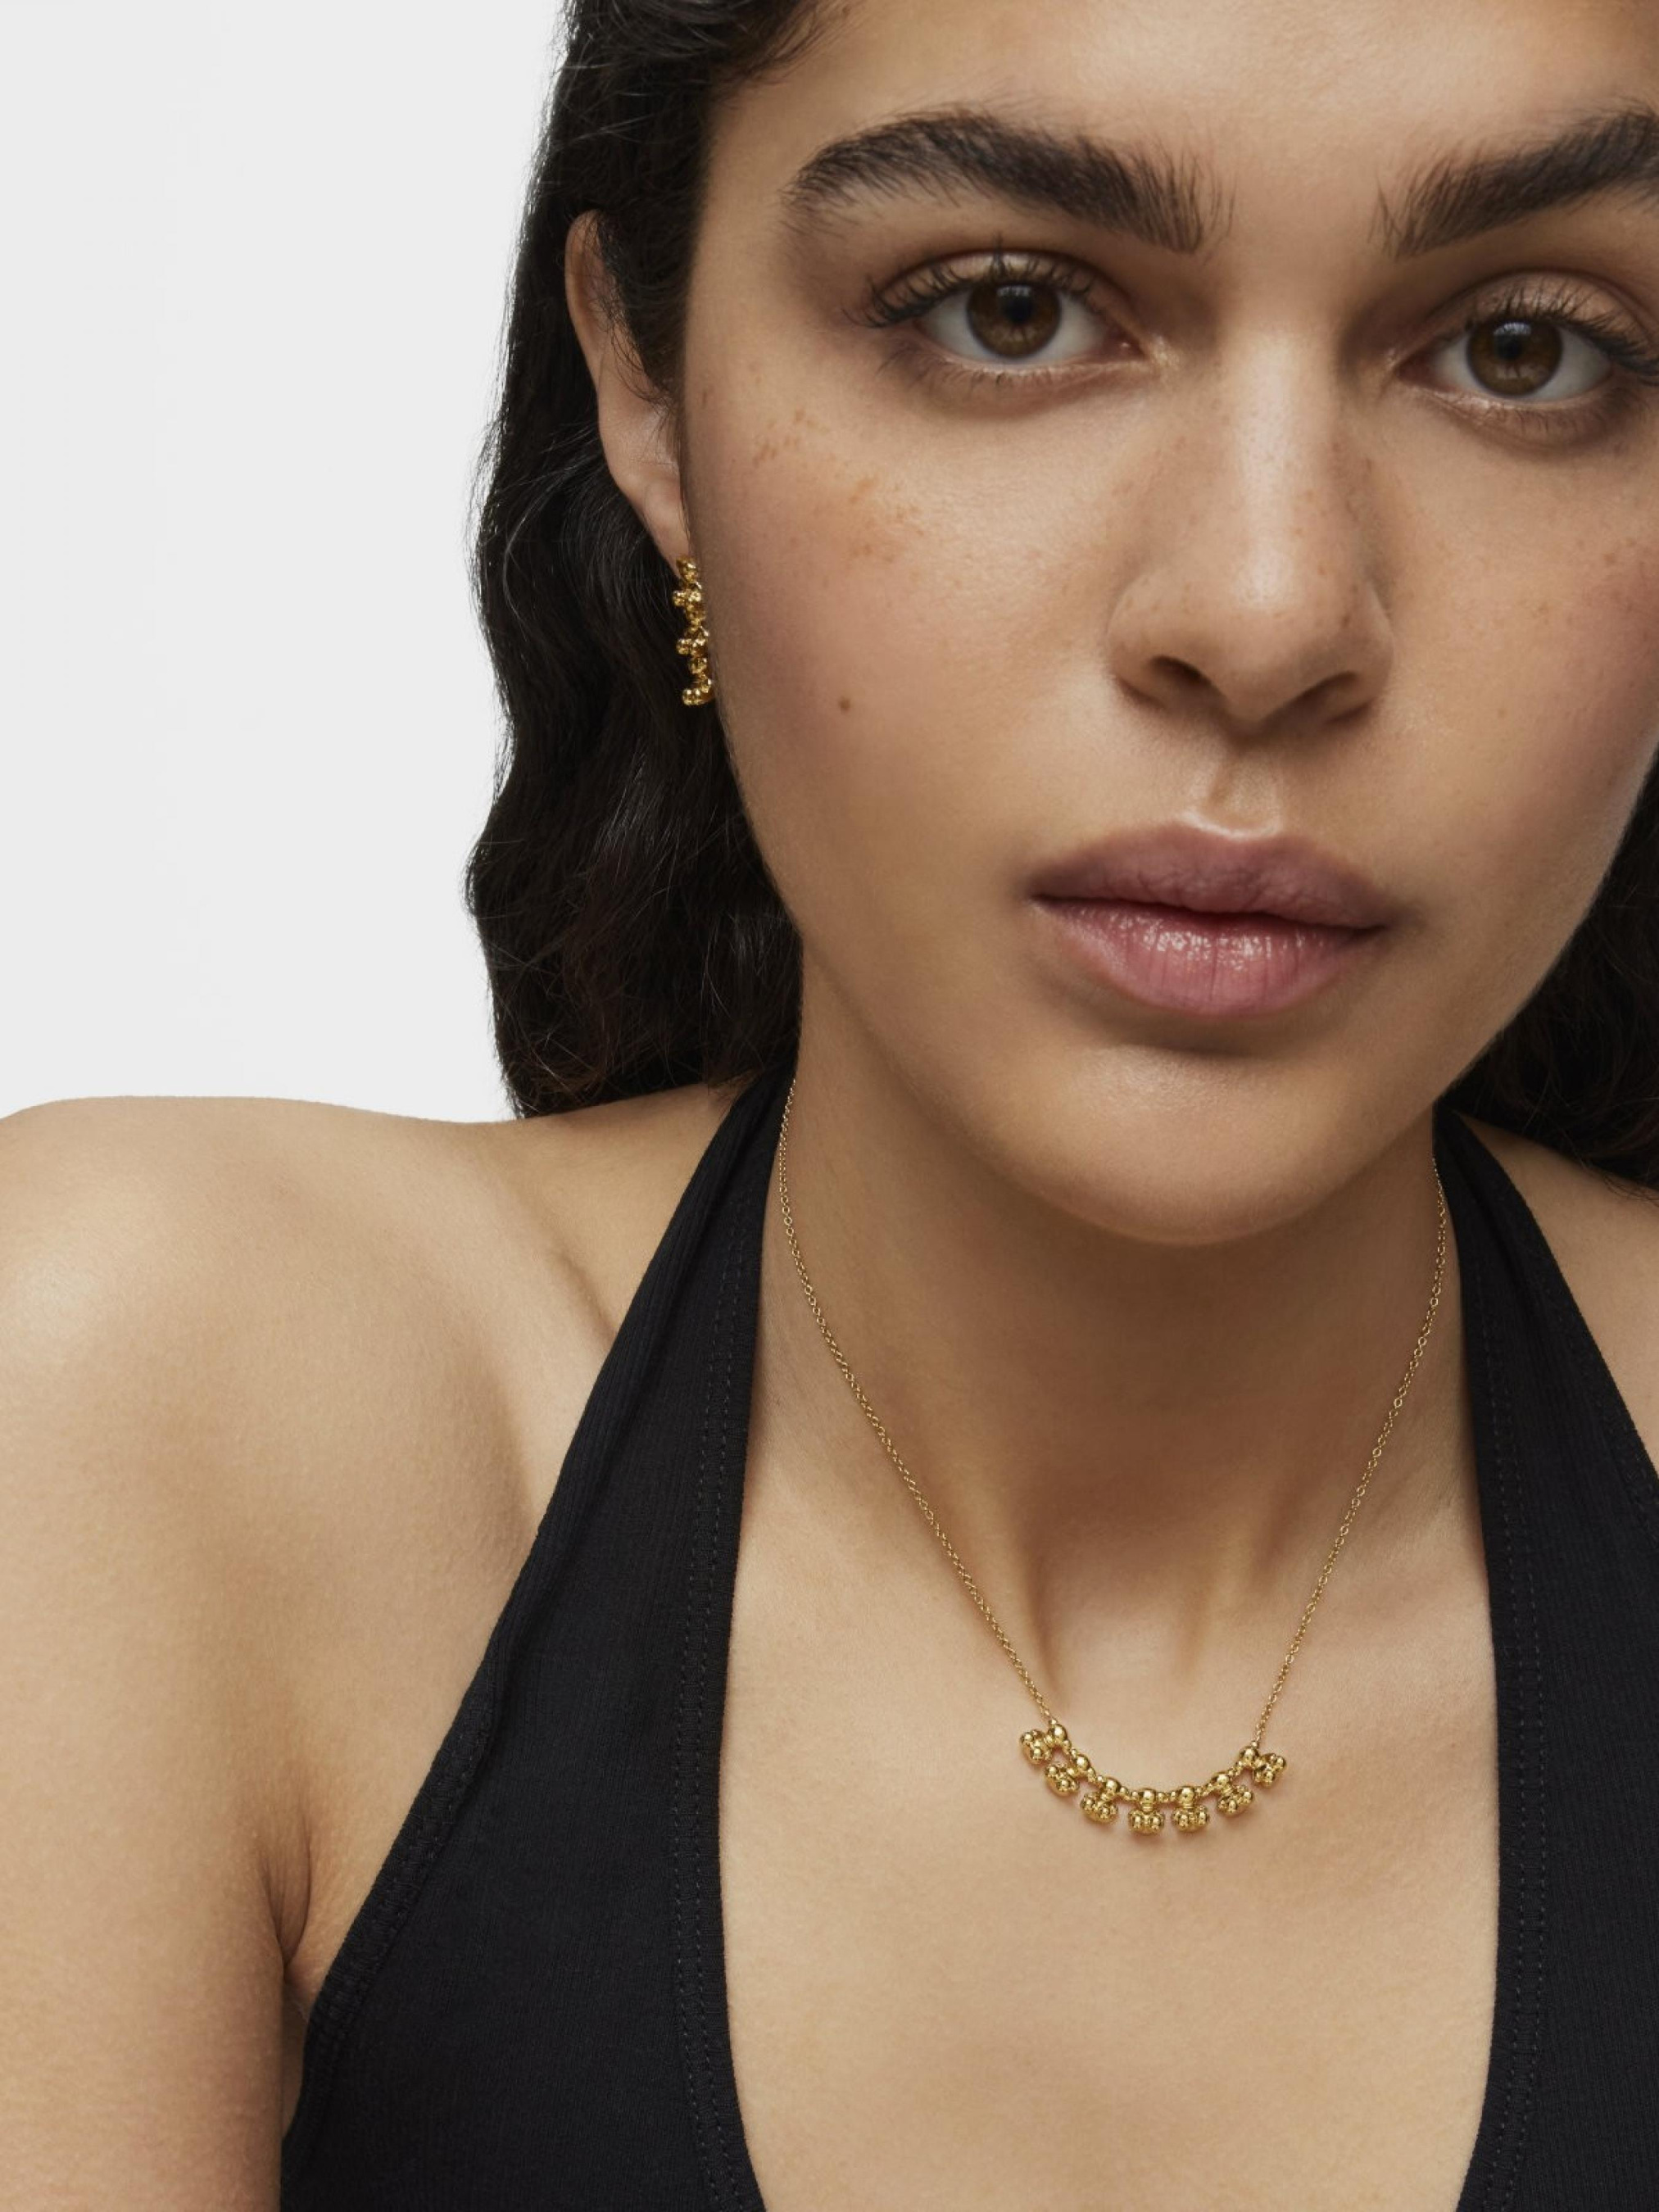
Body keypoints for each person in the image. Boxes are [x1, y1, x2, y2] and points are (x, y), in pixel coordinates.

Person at [7, 0, 1659, 2201]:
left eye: (1527, 353)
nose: (1266, 614)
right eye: (1009, 310)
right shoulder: (151, 1400)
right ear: (645, 380)